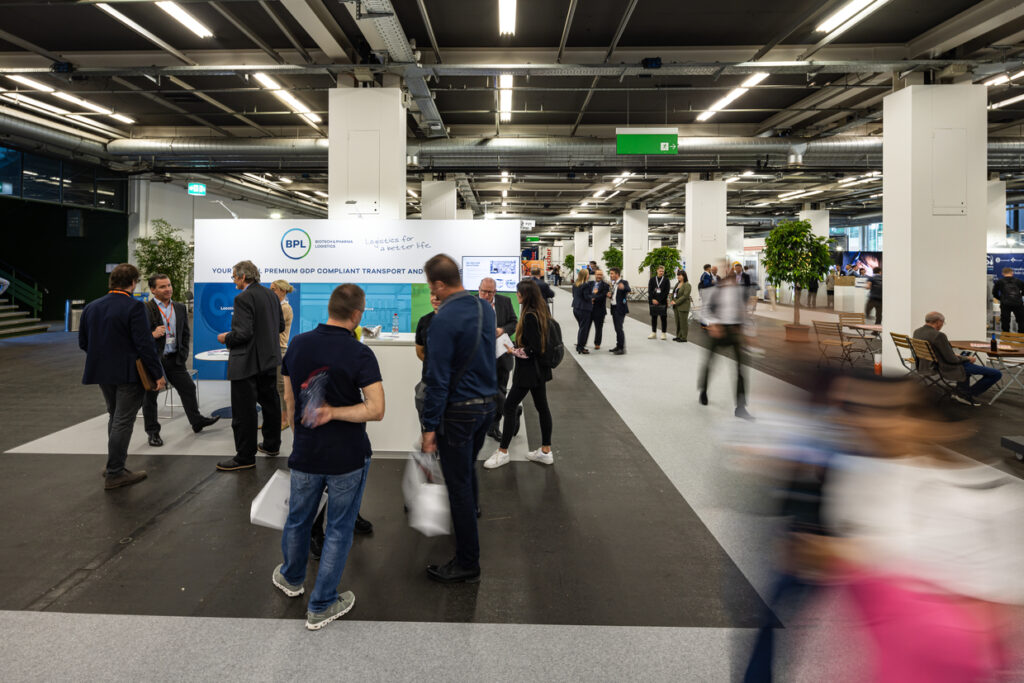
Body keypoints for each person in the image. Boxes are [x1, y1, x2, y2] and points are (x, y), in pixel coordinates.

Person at [272, 284, 384, 631]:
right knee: (338, 529)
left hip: (305, 452)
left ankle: (291, 578)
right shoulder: (360, 353)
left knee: (298, 519)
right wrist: (333, 412)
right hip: (346, 458)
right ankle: (321, 604)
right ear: (356, 315)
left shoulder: (299, 344)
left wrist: (300, 434)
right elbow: (376, 410)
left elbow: (290, 402)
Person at [420, 254, 497, 583]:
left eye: (430, 285)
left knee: (459, 485)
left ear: (438, 284)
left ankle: (468, 561)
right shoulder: (485, 308)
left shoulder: (443, 319)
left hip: (459, 411)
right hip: (487, 405)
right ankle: (469, 528)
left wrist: (428, 427)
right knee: (467, 471)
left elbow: (436, 380)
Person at [79, 263, 166, 490]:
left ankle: (113, 466)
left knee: (114, 416)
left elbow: (83, 342)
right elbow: (144, 344)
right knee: (123, 420)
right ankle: (116, 472)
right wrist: (157, 374)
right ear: (133, 282)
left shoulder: (91, 307)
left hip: (102, 371)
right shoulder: (134, 307)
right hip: (129, 373)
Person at [215, 260, 284, 472]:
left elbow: (243, 334)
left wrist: (226, 337)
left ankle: (245, 457)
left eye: (234, 276)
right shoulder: (272, 295)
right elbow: (279, 326)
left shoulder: (243, 298)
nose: (234, 280)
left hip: (246, 363)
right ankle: (272, 446)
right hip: (268, 360)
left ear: (243, 277)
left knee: (244, 411)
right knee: (271, 404)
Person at [141, 273, 219, 446]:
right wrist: (151, 335)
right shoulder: (145, 309)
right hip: (154, 361)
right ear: (153, 290)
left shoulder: (179, 307)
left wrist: (182, 354)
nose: (168, 289)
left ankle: (196, 422)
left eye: (169, 285)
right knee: (151, 397)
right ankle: (153, 432)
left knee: (188, 387)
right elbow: (138, 337)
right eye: (162, 286)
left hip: (175, 359)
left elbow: (185, 333)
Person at [485, 279, 555, 469]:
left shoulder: (530, 317)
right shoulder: (541, 313)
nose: (516, 296)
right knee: (542, 408)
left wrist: (513, 351)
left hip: (528, 372)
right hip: (540, 371)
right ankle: (545, 451)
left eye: (518, 293)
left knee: (509, 407)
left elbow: (532, 350)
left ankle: (503, 452)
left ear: (524, 295)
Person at [913, 311, 1001, 406]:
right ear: (938, 322)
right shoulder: (939, 335)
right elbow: (951, 359)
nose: (942, 325)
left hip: (926, 364)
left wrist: (959, 356)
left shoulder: (917, 332)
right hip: (945, 366)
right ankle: (965, 394)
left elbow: (942, 353)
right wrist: (967, 358)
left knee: (965, 363)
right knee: (996, 373)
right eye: (943, 323)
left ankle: (962, 391)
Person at [699, 265, 752, 420]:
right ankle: (703, 390)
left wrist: (746, 331)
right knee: (709, 363)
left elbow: (743, 311)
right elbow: (705, 310)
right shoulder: (715, 290)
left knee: (741, 368)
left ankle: (741, 407)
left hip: (735, 331)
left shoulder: (739, 292)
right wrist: (713, 324)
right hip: (718, 330)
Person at [479, 277, 519, 441]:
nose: (486, 295)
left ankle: (493, 427)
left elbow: (514, 322)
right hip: (480, 357)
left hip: (501, 354)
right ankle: (512, 411)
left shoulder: (505, 301)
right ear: (479, 289)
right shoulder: (472, 303)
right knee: (486, 392)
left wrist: (502, 330)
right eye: (483, 291)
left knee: (500, 389)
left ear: (495, 291)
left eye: (490, 292)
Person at [270, 279, 294, 430]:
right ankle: (277, 417)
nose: (271, 292)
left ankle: (285, 419)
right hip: (272, 349)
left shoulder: (285, 308)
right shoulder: (276, 306)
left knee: (281, 386)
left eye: (274, 289)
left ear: (282, 291)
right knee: (272, 386)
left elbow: (272, 327)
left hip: (280, 349)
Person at [607, 267, 631, 355]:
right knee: (617, 329)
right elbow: (615, 295)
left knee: (619, 328)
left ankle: (622, 348)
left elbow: (628, 289)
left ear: (617, 274)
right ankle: (618, 345)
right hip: (614, 308)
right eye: (610, 273)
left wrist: (623, 287)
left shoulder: (623, 282)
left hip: (620, 309)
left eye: (612, 273)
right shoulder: (614, 283)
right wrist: (610, 295)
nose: (610, 275)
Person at [993, 266, 1024, 333]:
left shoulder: (999, 282)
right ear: (1012, 273)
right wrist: (1020, 296)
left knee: (1005, 321)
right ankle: (1021, 337)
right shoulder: (1018, 281)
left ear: (1003, 273)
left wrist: (1000, 298)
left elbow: (994, 293)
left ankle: (1006, 338)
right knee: (1021, 320)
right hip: (1018, 304)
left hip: (1005, 304)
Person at [571, 268, 593, 354]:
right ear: (585, 275)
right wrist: (593, 294)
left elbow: (574, 295)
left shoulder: (575, 284)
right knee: (584, 329)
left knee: (581, 328)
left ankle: (579, 345)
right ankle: (580, 347)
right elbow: (587, 297)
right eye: (588, 274)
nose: (589, 276)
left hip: (576, 308)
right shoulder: (586, 285)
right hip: (584, 309)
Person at [588, 269, 610, 350]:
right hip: (589, 309)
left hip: (600, 310)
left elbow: (603, 295)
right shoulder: (589, 284)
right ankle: (582, 342)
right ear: (595, 275)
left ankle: (597, 343)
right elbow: (586, 293)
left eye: (600, 275)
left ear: (602, 275)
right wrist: (590, 298)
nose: (599, 276)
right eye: (597, 274)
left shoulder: (605, 285)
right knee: (585, 327)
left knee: (598, 328)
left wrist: (593, 299)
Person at [648, 265, 671, 340]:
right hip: (653, 301)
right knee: (653, 317)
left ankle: (663, 333)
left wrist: (659, 300)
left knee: (663, 318)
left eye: (662, 271)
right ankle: (653, 332)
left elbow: (666, 291)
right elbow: (650, 290)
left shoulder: (666, 280)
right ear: (657, 271)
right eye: (660, 271)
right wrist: (653, 299)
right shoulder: (652, 279)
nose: (661, 272)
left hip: (662, 302)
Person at [670, 270, 691, 342]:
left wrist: (676, 302)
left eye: (680, 275)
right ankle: (678, 336)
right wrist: (672, 300)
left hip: (683, 306)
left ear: (684, 276)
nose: (678, 276)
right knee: (678, 322)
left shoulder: (687, 285)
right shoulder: (677, 284)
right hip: (676, 306)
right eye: (678, 275)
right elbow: (673, 293)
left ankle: (684, 337)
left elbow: (685, 296)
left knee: (683, 322)